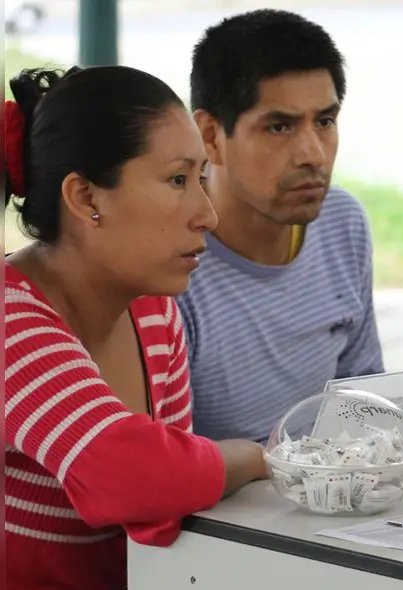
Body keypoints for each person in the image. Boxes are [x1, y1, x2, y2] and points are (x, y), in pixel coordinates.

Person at [4, 66, 269, 590]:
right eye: (177, 180)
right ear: (85, 198)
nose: (207, 215)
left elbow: (172, 508)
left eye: (201, 180)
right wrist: (255, 457)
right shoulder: (11, 324)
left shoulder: (151, 309)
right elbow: (138, 479)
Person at [179, 9, 383, 445]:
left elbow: (365, 401)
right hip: (214, 508)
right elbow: (165, 465)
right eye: (279, 126)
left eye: (325, 122)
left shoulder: (341, 222)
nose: (313, 154)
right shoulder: (171, 261)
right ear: (211, 136)